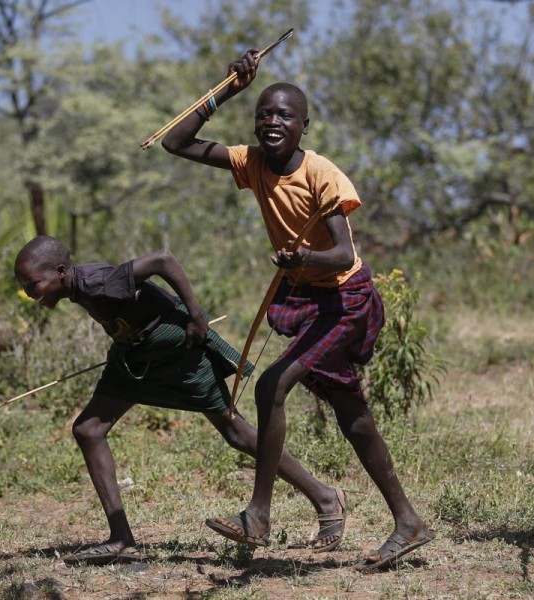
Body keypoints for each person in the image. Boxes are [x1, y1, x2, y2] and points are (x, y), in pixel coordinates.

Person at [160, 50, 433, 571]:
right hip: (309, 301)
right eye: (264, 113)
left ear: (304, 125)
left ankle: (257, 516)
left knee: (270, 386)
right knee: (352, 414)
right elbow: (177, 142)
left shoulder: (322, 174)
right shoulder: (250, 162)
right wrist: (228, 89)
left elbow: (344, 253)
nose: (272, 122)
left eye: (284, 115)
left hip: (343, 300)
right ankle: (408, 522)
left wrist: (303, 257)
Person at [14, 236, 351, 566]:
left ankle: (325, 497)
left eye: (34, 284)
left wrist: (196, 316)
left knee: (235, 433)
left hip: (176, 349)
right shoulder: (80, 289)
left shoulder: (98, 281)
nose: (30, 294)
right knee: (88, 429)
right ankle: (121, 540)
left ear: (60, 271)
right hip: (135, 354)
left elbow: (163, 259)